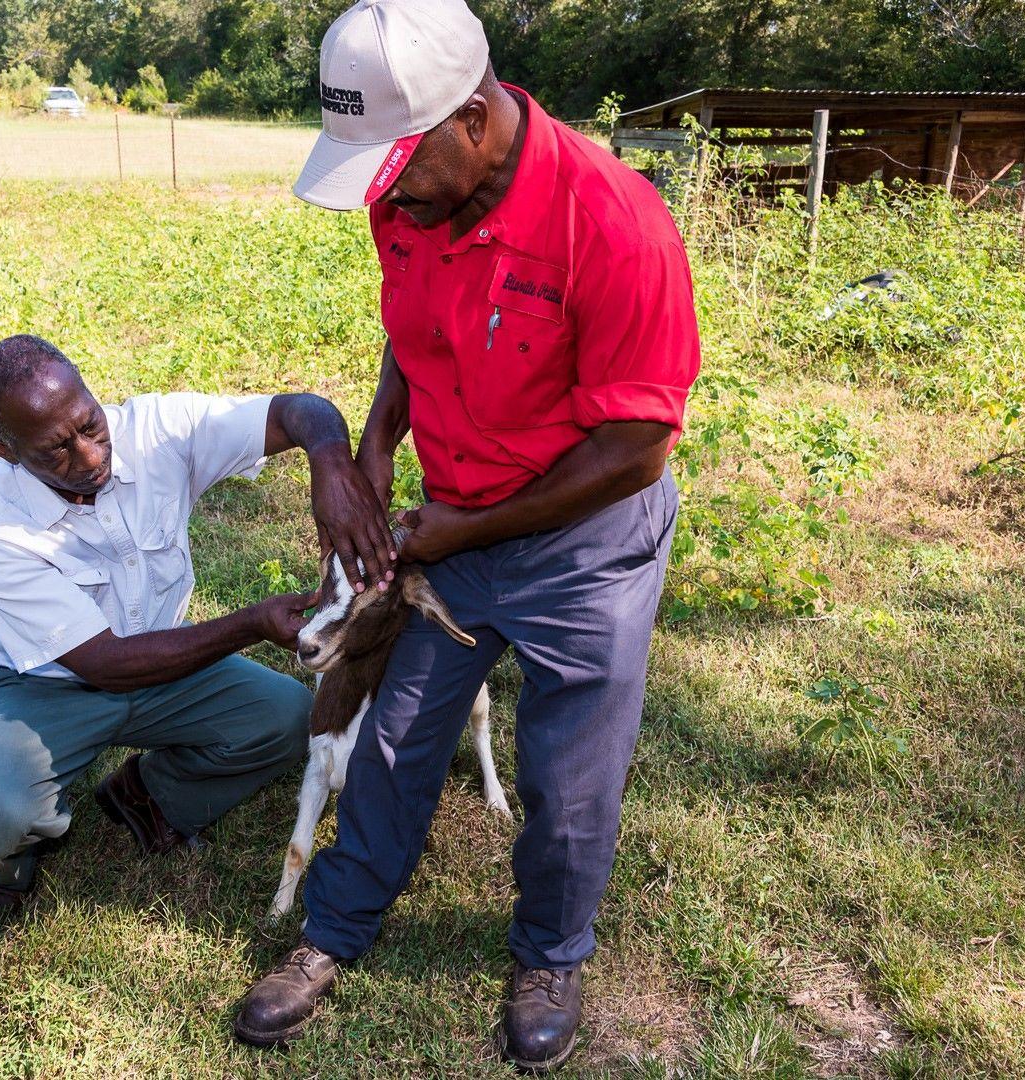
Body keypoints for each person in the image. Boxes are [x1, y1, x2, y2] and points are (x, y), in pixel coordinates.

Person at [232, 0, 702, 1070]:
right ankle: (331, 934)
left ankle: (548, 952)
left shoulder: (614, 223)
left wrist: (464, 529)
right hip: (452, 522)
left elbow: (635, 446)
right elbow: (413, 331)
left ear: (475, 121)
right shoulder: (408, 197)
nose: (383, 195)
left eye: (394, 166)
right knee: (397, 736)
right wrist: (377, 445)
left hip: (585, 543)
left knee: (568, 774)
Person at [0, 334, 392, 935]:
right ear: (4, 449)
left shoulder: (157, 430)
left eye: (89, 424)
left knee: (289, 719)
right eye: (55, 451)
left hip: (168, 664)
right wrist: (251, 623)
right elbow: (104, 664)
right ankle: (7, 866)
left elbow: (301, 410)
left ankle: (150, 796)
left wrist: (332, 465)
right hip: (46, 686)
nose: (88, 456)